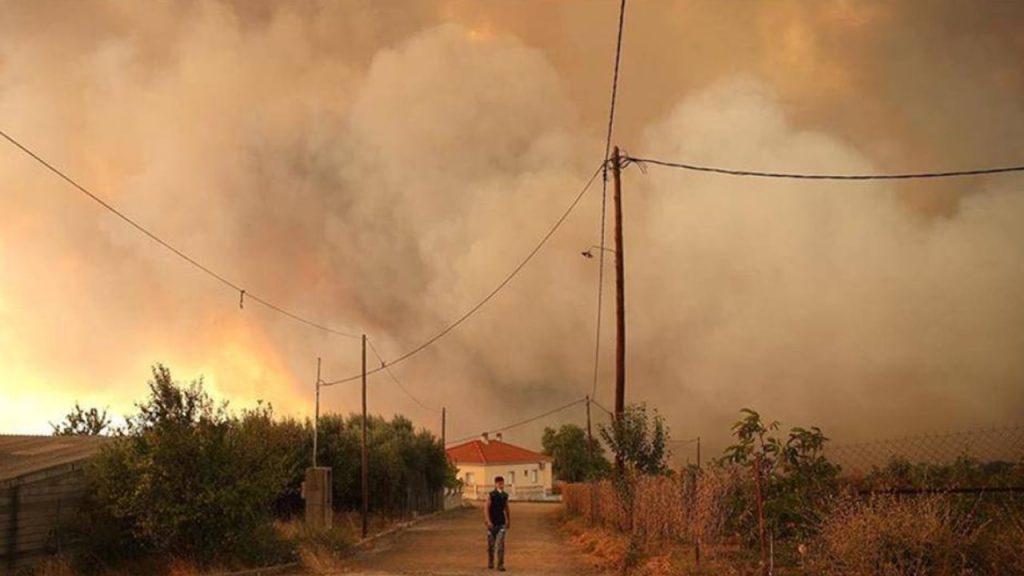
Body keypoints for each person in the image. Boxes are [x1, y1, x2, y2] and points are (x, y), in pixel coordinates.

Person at [484, 476, 511, 570]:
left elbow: (507, 509)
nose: (501, 485)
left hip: (501, 523)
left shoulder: (505, 496)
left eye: (502, 483)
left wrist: (508, 520)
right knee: (491, 546)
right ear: (495, 484)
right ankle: (491, 562)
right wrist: (488, 520)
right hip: (492, 523)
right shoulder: (491, 495)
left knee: (501, 545)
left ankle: (500, 564)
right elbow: (486, 509)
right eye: (499, 483)